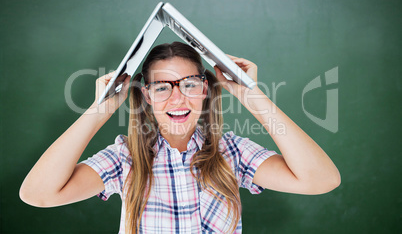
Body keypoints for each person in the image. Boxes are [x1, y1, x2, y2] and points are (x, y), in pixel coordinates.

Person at [20, 42, 340, 233]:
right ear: (146, 95)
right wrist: (100, 109)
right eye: (162, 87)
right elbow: (38, 195)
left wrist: (251, 95)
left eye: (189, 84)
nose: (177, 99)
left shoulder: (233, 152)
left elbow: (320, 181)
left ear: (204, 89)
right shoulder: (125, 158)